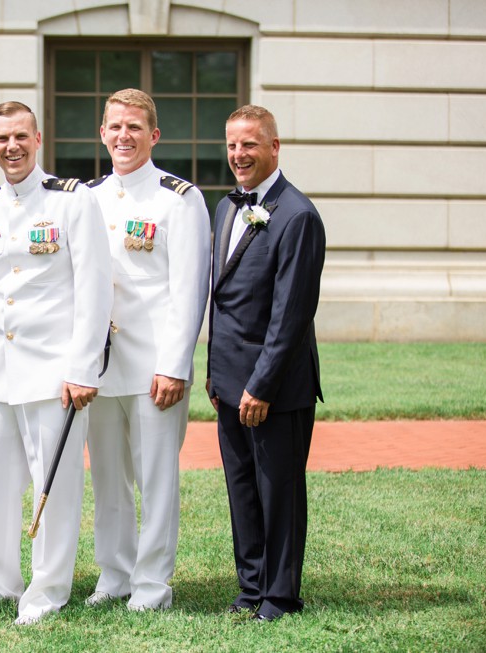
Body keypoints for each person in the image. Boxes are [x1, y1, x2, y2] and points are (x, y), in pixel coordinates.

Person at [0, 101, 112, 626]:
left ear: (37, 138)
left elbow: (94, 289)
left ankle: (46, 592)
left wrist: (84, 367)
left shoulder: (72, 201)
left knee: (53, 485)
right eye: (1, 139)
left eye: (20, 136)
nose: (11, 147)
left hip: (54, 371)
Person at [83, 89, 210, 611]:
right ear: (102, 133)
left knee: (156, 478)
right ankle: (114, 575)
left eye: (134, 127)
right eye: (115, 126)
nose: (123, 136)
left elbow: (189, 287)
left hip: (155, 364)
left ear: (154, 135)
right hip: (99, 365)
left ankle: (152, 584)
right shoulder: (85, 197)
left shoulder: (178, 198)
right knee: (108, 477)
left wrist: (175, 364)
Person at [206, 104, 326, 622]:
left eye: (250, 144)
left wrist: (261, 386)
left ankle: (280, 596)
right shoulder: (226, 209)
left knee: (279, 495)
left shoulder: (298, 215)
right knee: (242, 491)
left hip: (274, 388)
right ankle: (250, 588)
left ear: (274, 147)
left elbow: (291, 315)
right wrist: (216, 375)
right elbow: (224, 300)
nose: (239, 154)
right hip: (229, 382)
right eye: (233, 144)